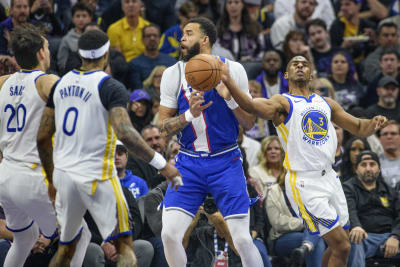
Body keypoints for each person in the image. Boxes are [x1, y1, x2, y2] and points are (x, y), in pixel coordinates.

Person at [222, 54, 388, 266]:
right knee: (342, 246)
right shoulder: (283, 102)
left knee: (341, 243)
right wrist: (229, 82)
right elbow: (254, 107)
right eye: (294, 64)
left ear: (311, 74)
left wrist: (373, 123)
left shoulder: (326, 103)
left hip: (330, 177)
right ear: (286, 74)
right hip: (304, 182)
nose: (300, 66)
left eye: (304, 64)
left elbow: (357, 127)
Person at [36, 29, 182, 266]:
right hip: (96, 176)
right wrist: (162, 164)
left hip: (64, 176)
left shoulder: (59, 85)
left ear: (80, 54)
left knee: (66, 250)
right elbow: (125, 132)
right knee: (126, 248)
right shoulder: (110, 86)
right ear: (106, 54)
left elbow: (42, 137)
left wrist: (52, 179)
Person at [158, 16, 263, 266]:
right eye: (182, 33)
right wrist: (188, 115)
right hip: (188, 162)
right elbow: (161, 128)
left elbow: (249, 123)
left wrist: (229, 98)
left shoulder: (233, 69)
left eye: (189, 33)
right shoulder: (172, 74)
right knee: (169, 235)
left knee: (243, 240)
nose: (182, 38)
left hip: (226, 160)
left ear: (205, 39)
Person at [0, 24, 90, 267]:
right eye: (48, 47)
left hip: (6, 176)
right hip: (32, 177)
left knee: (24, 238)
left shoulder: (3, 82)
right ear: (41, 52)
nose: (49, 51)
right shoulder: (46, 80)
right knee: (80, 236)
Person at [343, 150, 400, 267]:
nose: (368, 169)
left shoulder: (390, 190)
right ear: (356, 169)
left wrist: (395, 236)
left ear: (379, 169)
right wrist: (356, 226)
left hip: (389, 237)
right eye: (363, 165)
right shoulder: (348, 187)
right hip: (364, 237)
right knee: (355, 239)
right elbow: (350, 209)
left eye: (372, 164)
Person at [127, 24, 176, 90]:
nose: (152, 38)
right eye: (148, 36)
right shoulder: (134, 64)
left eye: (155, 35)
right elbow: (137, 91)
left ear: (159, 39)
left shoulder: (172, 62)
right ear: (142, 40)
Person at [57, 2, 93, 74]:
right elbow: (62, 65)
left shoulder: (96, 36)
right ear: (72, 19)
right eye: (77, 16)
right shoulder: (66, 40)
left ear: (90, 18)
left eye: (84, 16)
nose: (81, 19)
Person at [249, 135, 284, 200]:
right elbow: (259, 197)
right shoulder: (255, 171)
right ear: (263, 152)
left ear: (282, 152)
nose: (273, 152)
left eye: (277, 148)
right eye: (269, 149)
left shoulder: (288, 171)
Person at [378, 120, 400, 188]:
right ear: (380, 139)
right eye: (385, 134)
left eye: (393, 133)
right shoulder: (374, 162)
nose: (389, 137)